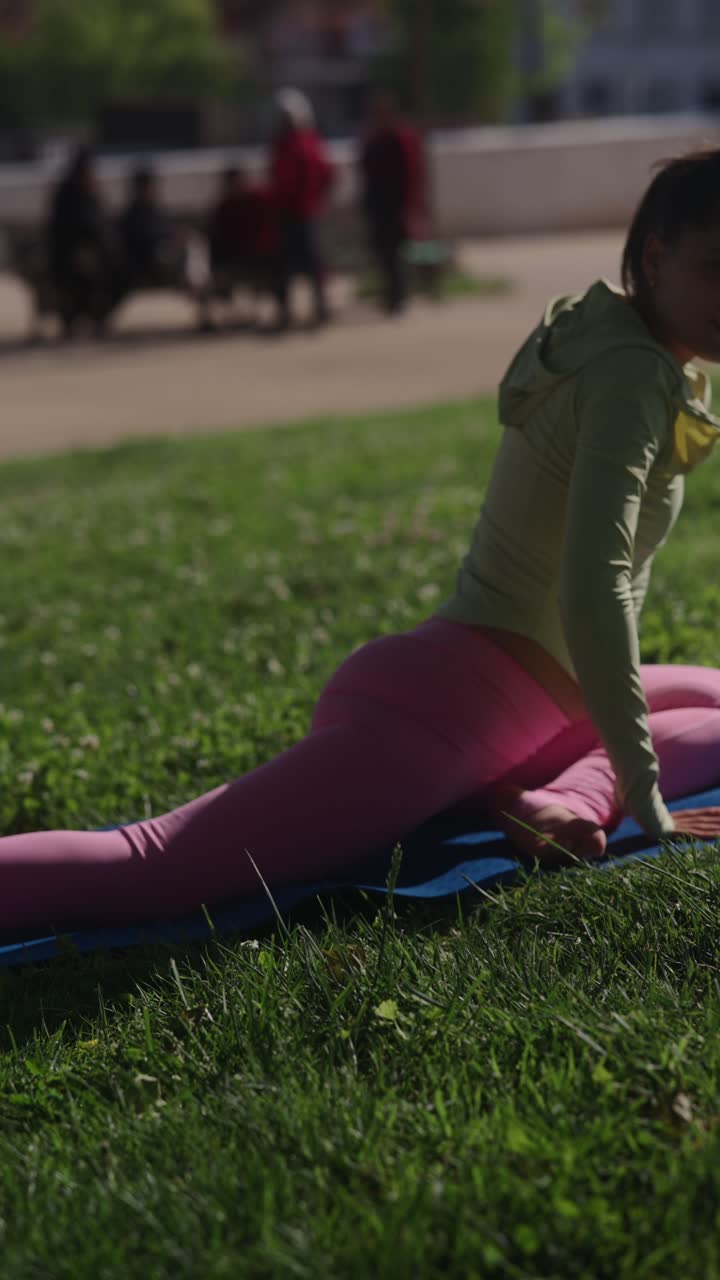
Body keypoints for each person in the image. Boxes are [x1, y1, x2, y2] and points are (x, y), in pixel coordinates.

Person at [5, 148, 720, 937]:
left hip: (496, 696)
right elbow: (595, 585)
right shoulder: (629, 378)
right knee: (151, 865)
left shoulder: (615, 331)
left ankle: (560, 796)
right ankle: (577, 788)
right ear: (655, 259)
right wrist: (647, 796)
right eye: (717, 269)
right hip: (446, 715)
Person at [267, 88, 335, 330]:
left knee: (311, 263)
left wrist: (314, 200)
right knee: (283, 265)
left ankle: (320, 307)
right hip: (287, 213)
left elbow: (325, 175)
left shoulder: (308, 143)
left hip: (304, 212)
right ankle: (285, 310)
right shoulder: (282, 145)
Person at [359, 92, 426, 314]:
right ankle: (391, 295)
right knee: (383, 252)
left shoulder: (398, 138)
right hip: (378, 206)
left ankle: (398, 297)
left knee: (394, 253)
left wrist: (408, 207)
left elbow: (408, 173)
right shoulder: (375, 138)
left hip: (395, 206)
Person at [47, 146, 120, 335]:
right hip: (68, 255)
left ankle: (96, 318)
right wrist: (80, 252)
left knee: (116, 270)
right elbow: (62, 231)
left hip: (97, 254)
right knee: (83, 277)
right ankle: (78, 318)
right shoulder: (67, 194)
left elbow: (102, 226)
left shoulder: (91, 193)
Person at [207, 166, 277, 304]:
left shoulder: (259, 199)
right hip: (234, 256)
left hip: (259, 255)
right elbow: (217, 234)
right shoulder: (225, 205)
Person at [118, 167, 186, 288]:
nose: (149, 191)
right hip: (142, 268)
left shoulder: (156, 211)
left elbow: (167, 231)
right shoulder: (131, 215)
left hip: (163, 264)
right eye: (145, 187)